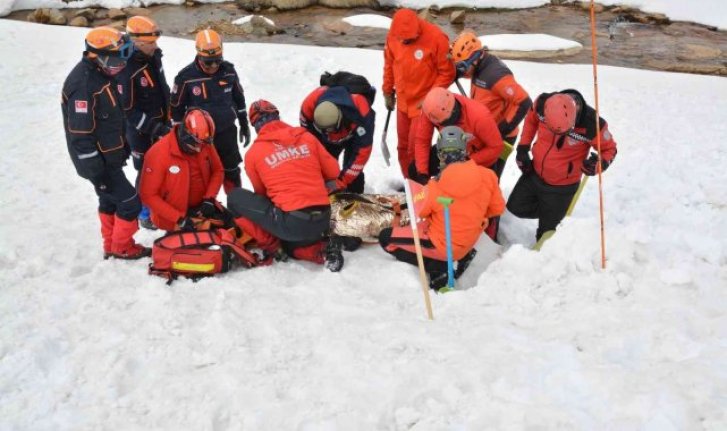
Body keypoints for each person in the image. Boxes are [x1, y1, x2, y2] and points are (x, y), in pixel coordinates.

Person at [379, 126, 505, 290]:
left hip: (444, 246)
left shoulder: (436, 186)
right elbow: (497, 208)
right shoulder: (488, 176)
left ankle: (437, 266)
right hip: (471, 239)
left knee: (386, 238)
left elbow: (422, 212)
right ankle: (455, 257)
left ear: (440, 155)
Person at [61, 27, 149, 259]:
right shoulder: (83, 86)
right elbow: (80, 136)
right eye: (118, 58)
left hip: (110, 154)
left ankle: (111, 245)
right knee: (130, 202)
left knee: (109, 201)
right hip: (98, 163)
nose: (122, 64)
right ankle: (122, 247)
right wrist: (96, 171)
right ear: (99, 56)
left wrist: (121, 148)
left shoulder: (103, 74)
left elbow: (112, 116)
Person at [226, 100, 345, 272]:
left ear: (255, 126)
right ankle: (327, 242)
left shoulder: (254, 153)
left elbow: (262, 195)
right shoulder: (306, 137)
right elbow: (334, 171)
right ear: (277, 116)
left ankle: (274, 247)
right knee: (332, 186)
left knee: (235, 198)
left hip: (293, 223)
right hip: (325, 218)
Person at [506, 89, 618, 240]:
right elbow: (531, 120)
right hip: (535, 173)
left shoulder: (593, 124)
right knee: (515, 207)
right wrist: (523, 149)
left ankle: (552, 218)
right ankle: (550, 213)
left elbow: (609, 149)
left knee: (546, 235)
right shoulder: (541, 103)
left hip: (562, 186)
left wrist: (598, 165)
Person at [170, 29, 250, 193]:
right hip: (200, 139)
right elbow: (176, 110)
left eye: (217, 61)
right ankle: (208, 210)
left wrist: (244, 124)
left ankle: (236, 209)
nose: (213, 66)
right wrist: (178, 137)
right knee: (203, 177)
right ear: (199, 56)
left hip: (227, 132)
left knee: (232, 172)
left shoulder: (228, 71)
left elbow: (239, 98)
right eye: (208, 62)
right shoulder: (185, 78)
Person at [383, 8, 455, 178]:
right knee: (402, 147)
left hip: (422, 104)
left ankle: (419, 182)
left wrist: (431, 98)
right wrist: (387, 91)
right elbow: (389, 65)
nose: (405, 42)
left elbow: (447, 73)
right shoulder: (393, 36)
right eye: (403, 40)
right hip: (402, 101)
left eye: (409, 40)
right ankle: (409, 182)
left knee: (415, 148)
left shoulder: (437, 38)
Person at [450, 30, 532, 177]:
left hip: (503, 136)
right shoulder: (480, 66)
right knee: (480, 173)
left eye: (463, 67)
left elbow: (524, 102)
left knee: (491, 176)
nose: (462, 71)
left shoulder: (496, 75)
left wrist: (501, 130)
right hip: (486, 129)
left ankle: (492, 198)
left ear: (474, 59)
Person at [118, 16, 171, 230]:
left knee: (163, 168)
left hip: (161, 123)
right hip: (140, 132)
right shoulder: (126, 68)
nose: (155, 45)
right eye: (151, 42)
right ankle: (143, 212)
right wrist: (154, 128)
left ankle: (160, 204)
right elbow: (127, 110)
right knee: (145, 171)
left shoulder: (153, 57)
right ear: (137, 42)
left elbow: (161, 87)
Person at [138, 109, 224, 232]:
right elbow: (148, 195)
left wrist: (209, 199)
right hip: (173, 217)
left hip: (201, 209)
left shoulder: (204, 142)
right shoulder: (157, 154)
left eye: (203, 145)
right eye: (196, 145)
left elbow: (218, 170)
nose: (200, 150)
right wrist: (179, 218)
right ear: (185, 135)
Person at [413, 87, 503, 182]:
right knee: (415, 171)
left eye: (453, 116)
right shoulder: (431, 110)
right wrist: (422, 173)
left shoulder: (480, 116)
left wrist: (468, 161)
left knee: (479, 192)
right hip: (449, 151)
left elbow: (496, 147)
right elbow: (422, 141)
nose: (452, 123)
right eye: (447, 122)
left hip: (478, 159)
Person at [299, 84, 375, 194]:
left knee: (353, 174)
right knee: (323, 168)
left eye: (330, 129)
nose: (328, 133)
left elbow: (361, 155)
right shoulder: (309, 106)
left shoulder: (362, 114)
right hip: (326, 135)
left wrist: (341, 181)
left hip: (355, 135)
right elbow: (307, 139)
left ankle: (355, 194)